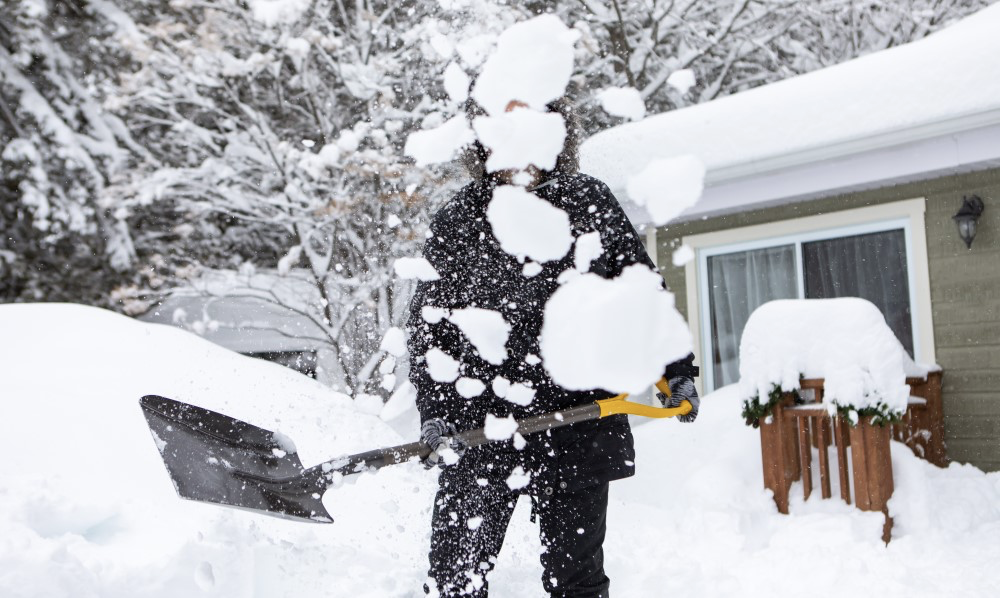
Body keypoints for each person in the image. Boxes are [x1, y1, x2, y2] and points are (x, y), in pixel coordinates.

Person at [406, 96, 699, 598]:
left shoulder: (588, 201)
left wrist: (675, 370)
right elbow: (430, 331)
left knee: (577, 583)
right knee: (454, 581)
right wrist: (436, 412)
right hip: (482, 427)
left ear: (557, 132)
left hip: (579, 422)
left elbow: (641, 292)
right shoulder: (459, 220)